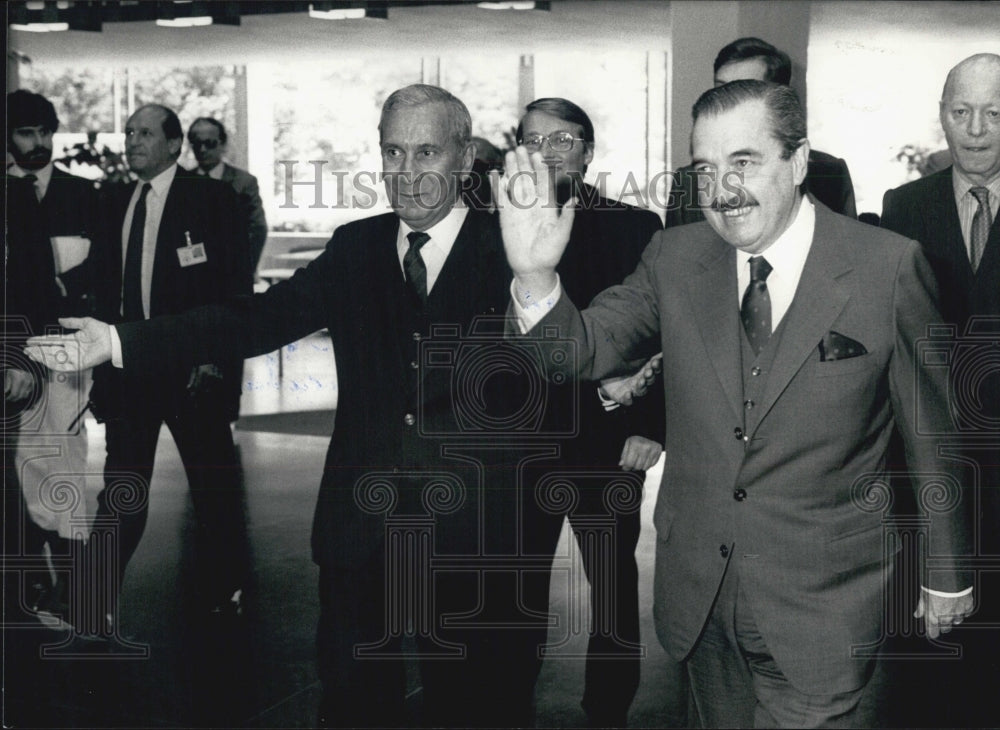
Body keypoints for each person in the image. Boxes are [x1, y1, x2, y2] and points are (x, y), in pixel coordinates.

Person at [26, 85, 555, 728]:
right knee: (356, 706)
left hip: (476, 539)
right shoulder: (356, 248)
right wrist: (114, 340)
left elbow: (562, 360)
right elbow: (250, 320)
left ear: (466, 157)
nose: (407, 174)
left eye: (426, 152)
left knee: (481, 708)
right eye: (393, 152)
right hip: (361, 538)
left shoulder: (518, 252)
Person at [498, 79, 974, 727]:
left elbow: (931, 432)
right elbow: (578, 350)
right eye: (705, 167)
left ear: (798, 161)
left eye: (743, 162)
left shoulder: (886, 268)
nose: (721, 189)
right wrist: (533, 277)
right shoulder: (675, 256)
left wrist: (946, 570)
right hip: (701, 600)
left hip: (824, 603)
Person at [515, 97, 664, 728]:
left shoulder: (636, 228)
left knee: (611, 590)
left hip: (607, 440)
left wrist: (650, 424)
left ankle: (608, 712)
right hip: (518, 445)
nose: (546, 153)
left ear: (588, 151)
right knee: (512, 591)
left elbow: (664, 334)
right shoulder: (490, 227)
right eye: (532, 141)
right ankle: (506, 702)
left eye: (562, 141)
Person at [82, 104, 252, 630]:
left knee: (213, 488)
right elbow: (104, 286)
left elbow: (232, 288)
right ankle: (90, 603)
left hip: (191, 370)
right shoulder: (114, 202)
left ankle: (227, 589)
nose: (132, 141)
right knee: (123, 489)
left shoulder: (214, 200)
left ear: (174, 145)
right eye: (129, 132)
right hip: (129, 369)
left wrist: (215, 357)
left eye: (145, 133)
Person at [880, 52, 1000, 728]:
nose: (976, 130)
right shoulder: (904, 207)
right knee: (926, 655)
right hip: (923, 471)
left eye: (994, 114)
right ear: (941, 117)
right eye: (961, 113)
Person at [6, 89, 99, 620]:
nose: (38, 144)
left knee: (65, 462)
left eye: (46, 132)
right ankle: (36, 586)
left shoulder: (83, 194)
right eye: (26, 133)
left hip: (65, 349)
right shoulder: (12, 195)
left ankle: (73, 587)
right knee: (20, 469)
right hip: (16, 348)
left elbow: (104, 266)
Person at [665, 37, 857, 228]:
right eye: (721, 88)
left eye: (745, 89)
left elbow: (847, 249)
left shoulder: (829, 175)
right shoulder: (689, 182)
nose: (727, 101)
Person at [187, 117, 268, 271]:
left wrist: (244, 269)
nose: (203, 150)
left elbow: (257, 228)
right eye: (197, 144)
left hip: (232, 272)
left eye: (210, 143)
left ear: (223, 145)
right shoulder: (182, 182)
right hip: (190, 275)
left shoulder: (243, 182)